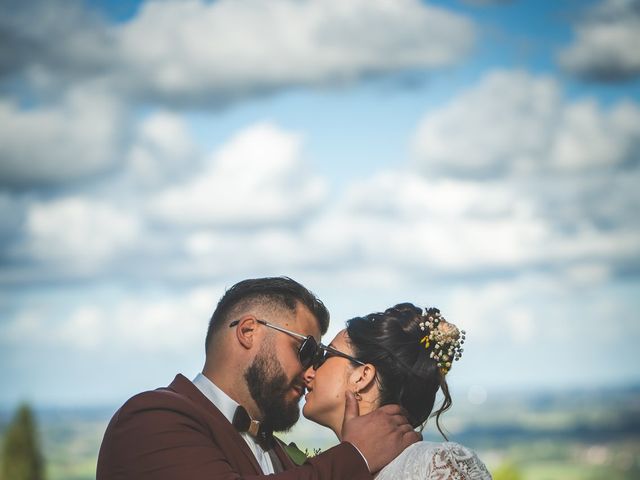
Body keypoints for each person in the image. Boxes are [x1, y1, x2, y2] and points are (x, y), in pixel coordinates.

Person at [97, 277, 419, 479]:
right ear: (249, 331)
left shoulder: (277, 453)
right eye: (306, 350)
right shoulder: (150, 419)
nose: (310, 372)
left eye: (319, 358)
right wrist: (356, 455)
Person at [303, 303, 492, 479]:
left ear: (362, 376)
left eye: (327, 355)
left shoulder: (435, 465)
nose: (309, 372)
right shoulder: (335, 471)